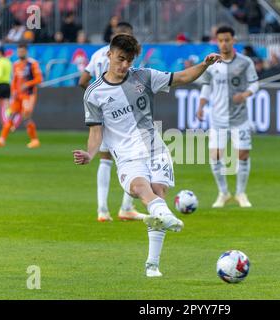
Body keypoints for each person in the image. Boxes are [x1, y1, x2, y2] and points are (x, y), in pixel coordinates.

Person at [73, 34, 221, 277]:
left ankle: (152, 264)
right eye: (120, 59)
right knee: (141, 189)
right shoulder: (94, 93)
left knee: (158, 193)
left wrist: (205, 64)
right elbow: (96, 133)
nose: (124, 66)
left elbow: (182, 77)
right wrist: (90, 155)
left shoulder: (145, 76)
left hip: (155, 148)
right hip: (127, 156)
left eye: (129, 61)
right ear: (108, 54)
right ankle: (164, 214)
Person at [78, 21, 143, 223]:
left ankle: (103, 210)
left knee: (105, 160)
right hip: (124, 116)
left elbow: (82, 81)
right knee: (136, 159)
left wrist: (98, 99)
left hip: (104, 115)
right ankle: (126, 208)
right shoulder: (128, 59)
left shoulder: (99, 54)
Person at [196, 26, 260, 208]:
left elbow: (255, 84)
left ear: (234, 41)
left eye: (227, 40)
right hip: (218, 118)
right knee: (215, 155)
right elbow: (206, 86)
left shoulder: (245, 62)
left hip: (240, 118)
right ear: (217, 42)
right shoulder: (211, 63)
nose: (224, 43)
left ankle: (241, 193)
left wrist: (245, 94)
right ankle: (223, 193)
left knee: (243, 154)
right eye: (221, 40)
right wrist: (201, 106)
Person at [0, 43, 43, 148]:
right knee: (11, 115)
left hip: (29, 95)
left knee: (26, 116)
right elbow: (14, 80)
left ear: (26, 51)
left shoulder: (32, 63)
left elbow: (39, 79)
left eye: (22, 51)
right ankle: (2, 140)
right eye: (18, 51)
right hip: (18, 95)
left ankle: (34, 140)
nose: (20, 53)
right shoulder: (16, 64)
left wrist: (27, 84)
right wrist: (13, 92)